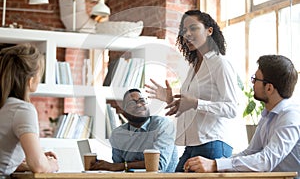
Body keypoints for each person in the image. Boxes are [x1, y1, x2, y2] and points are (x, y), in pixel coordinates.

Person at [145, 10, 239, 172]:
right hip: (192, 145)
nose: (187, 34)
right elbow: (190, 105)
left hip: (213, 144)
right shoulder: (193, 66)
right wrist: (171, 100)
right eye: (184, 31)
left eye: (193, 28)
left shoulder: (220, 63)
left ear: (209, 31)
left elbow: (232, 109)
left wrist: (195, 103)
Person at [183, 55, 300, 174]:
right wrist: (215, 163)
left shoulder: (290, 116)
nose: (252, 84)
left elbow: (266, 160)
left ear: (269, 88)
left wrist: (215, 165)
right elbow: (250, 152)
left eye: (255, 79)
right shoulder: (268, 115)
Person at [0, 44, 59, 174]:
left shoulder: (5, 105)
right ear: (31, 80)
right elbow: (39, 167)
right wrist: (50, 164)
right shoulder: (22, 109)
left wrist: (32, 160)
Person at [90, 88, 178, 172]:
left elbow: (158, 165)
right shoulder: (118, 134)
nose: (139, 105)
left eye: (142, 101)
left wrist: (125, 165)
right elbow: (118, 169)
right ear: (123, 111)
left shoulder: (163, 125)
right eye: (132, 103)